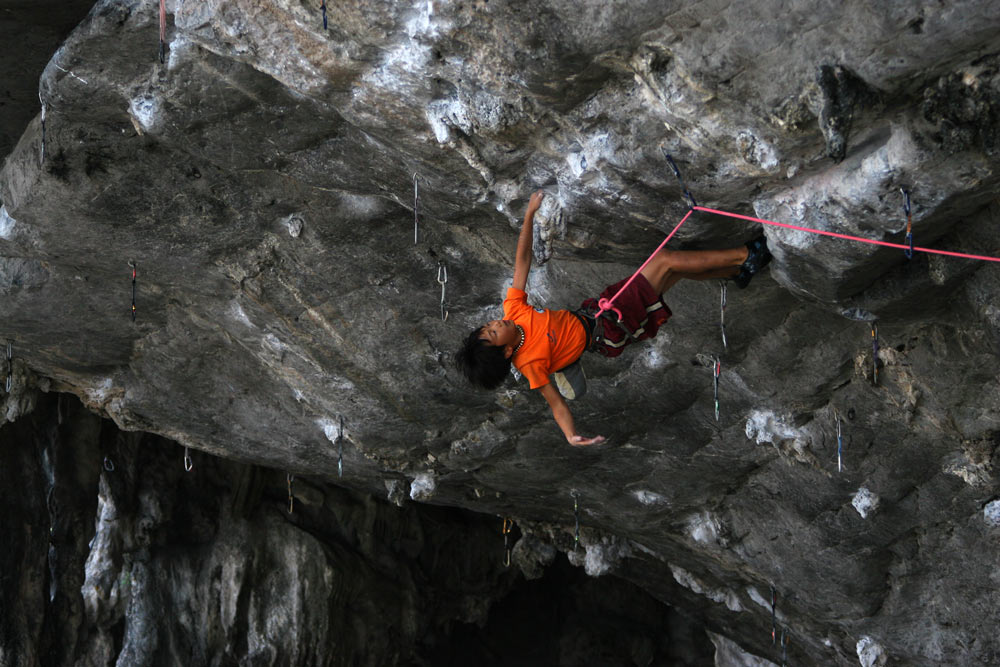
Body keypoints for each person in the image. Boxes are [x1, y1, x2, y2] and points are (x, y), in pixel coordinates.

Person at [454, 190, 771, 446]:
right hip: (610, 327)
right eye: (494, 333)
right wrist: (570, 434)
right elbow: (557, 405)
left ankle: (737, 271)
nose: (495, 324)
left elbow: (521, 263)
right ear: (507, 352)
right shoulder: (531, 365)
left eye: (489, 325)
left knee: (672, 271)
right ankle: (747, 254)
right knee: (664, 260)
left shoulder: (514, 313)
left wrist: (528, 217)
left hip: (598, 311)